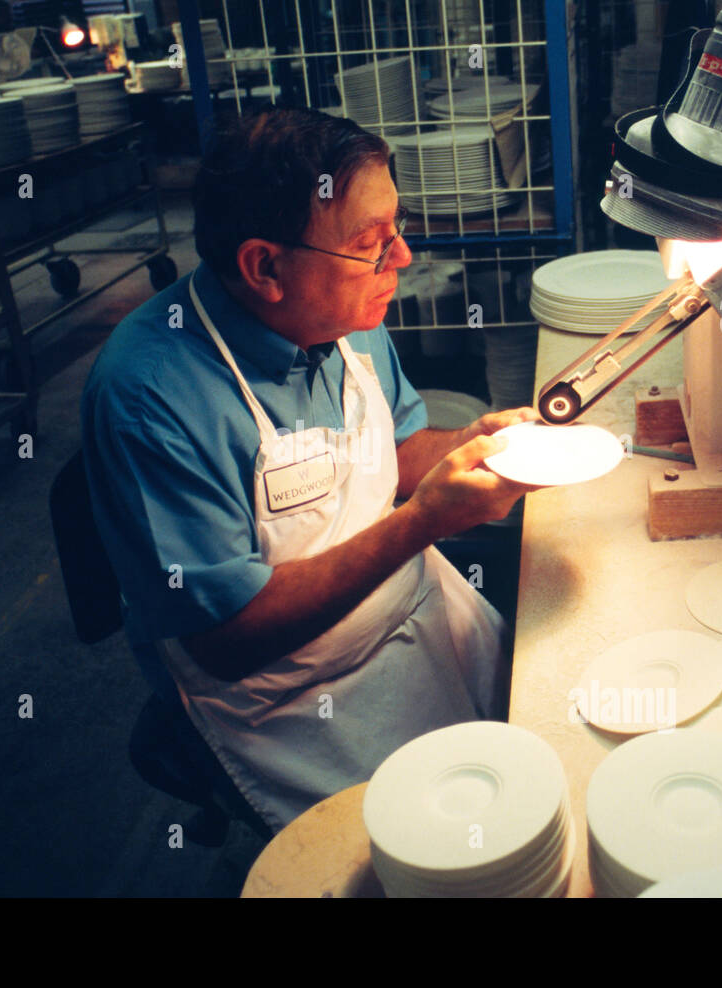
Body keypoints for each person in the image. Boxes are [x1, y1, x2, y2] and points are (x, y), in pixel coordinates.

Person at [81, 106, 543, 832]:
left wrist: (478, 447)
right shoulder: (150, 395)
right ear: (264, 266)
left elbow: (391, 457)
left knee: (536, 758)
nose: (402, 260)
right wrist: (422, 523)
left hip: (412, 614)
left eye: (397, 230)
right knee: (435, 852)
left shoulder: (344, 314)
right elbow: (228, 640)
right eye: (371, 245)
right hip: (284, 699)